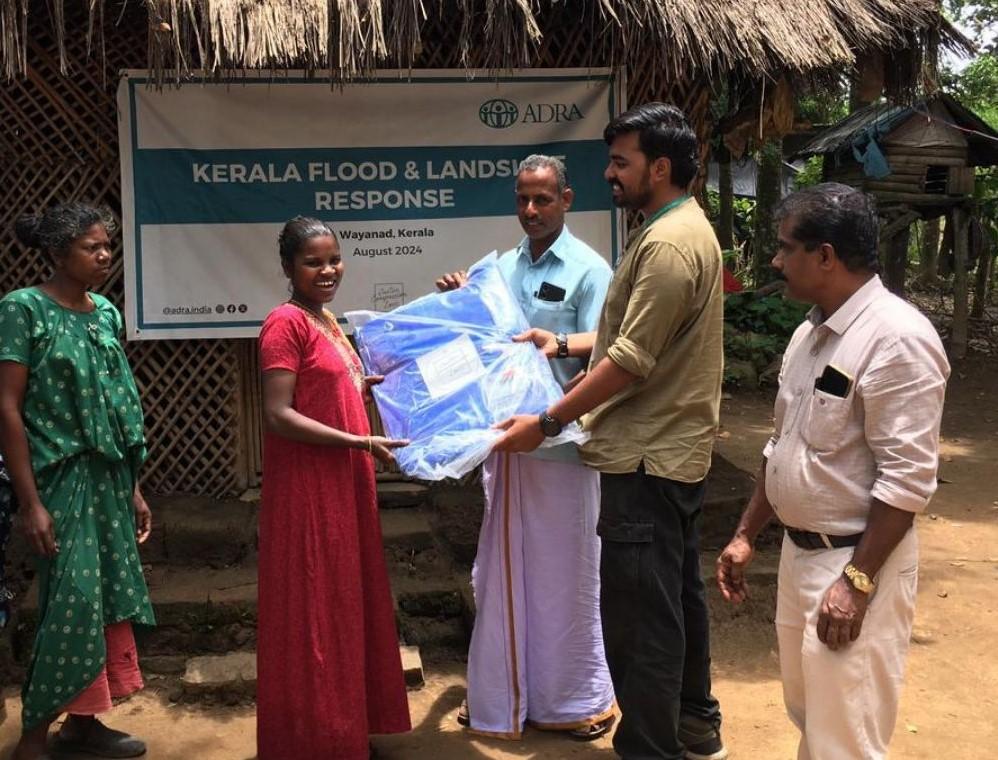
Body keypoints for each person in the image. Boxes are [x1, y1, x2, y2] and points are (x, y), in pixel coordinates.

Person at [494, 104, 727, 760]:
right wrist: (562, 340)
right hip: (669, 453)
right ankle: (694, 723)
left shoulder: (667, 244)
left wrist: (546, 422)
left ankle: (650, 748)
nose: (610, 173)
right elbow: (633, 336)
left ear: (659, 166)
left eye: (621, 162)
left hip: (646, 459)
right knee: (678, 598)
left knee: (640, 625)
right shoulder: (679, 229)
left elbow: (631, 360)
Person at [716, 184, 949, 760]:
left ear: (824, 255)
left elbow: (907, 478)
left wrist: (858, 581)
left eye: (783, 247)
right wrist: (748, 533)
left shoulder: (898, 339)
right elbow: (782, 445)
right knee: (812, 716)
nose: (775, 260)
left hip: (854, 563)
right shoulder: (809, 334)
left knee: (847, 731)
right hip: (801, 558)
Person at [436, 155, 615, 740]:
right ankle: (502, 692)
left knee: (566, 576)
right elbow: (490, 343)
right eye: (522, 199)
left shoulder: (590, 270)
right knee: (501, 574)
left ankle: (575, 702)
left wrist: (559, 345)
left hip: (561, 446)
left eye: (542, 199)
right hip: (508, 446)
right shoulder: (501, 269)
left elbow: (608, 349)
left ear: (566, 199)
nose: (531, 210)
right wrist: (465, 299)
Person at [0, 203, 155, 760]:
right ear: (58, 253)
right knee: (72, 599)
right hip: (60, 480)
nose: (105, 255)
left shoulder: (106, 314)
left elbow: (117, 406)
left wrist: (134, 487)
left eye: (107, 246)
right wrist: (31, 502)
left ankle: (84, 725)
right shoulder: (23, 310)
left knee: (110, 597)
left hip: (110, 479)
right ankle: (35, 737)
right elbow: (8, 408)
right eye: (93, 247)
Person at [256, 216, 411, 760]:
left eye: (334, 259)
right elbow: (278, 415)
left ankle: (344, 731)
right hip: (308, 492)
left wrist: (358, 383)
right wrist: (360, 440)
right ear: (288, 268)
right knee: (315, 607)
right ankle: (314, 741)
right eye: (313, 262)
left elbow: (325, 388)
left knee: (347, 602)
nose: (327, 270)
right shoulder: (285, 324)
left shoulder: (326, 320)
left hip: (344, 483)